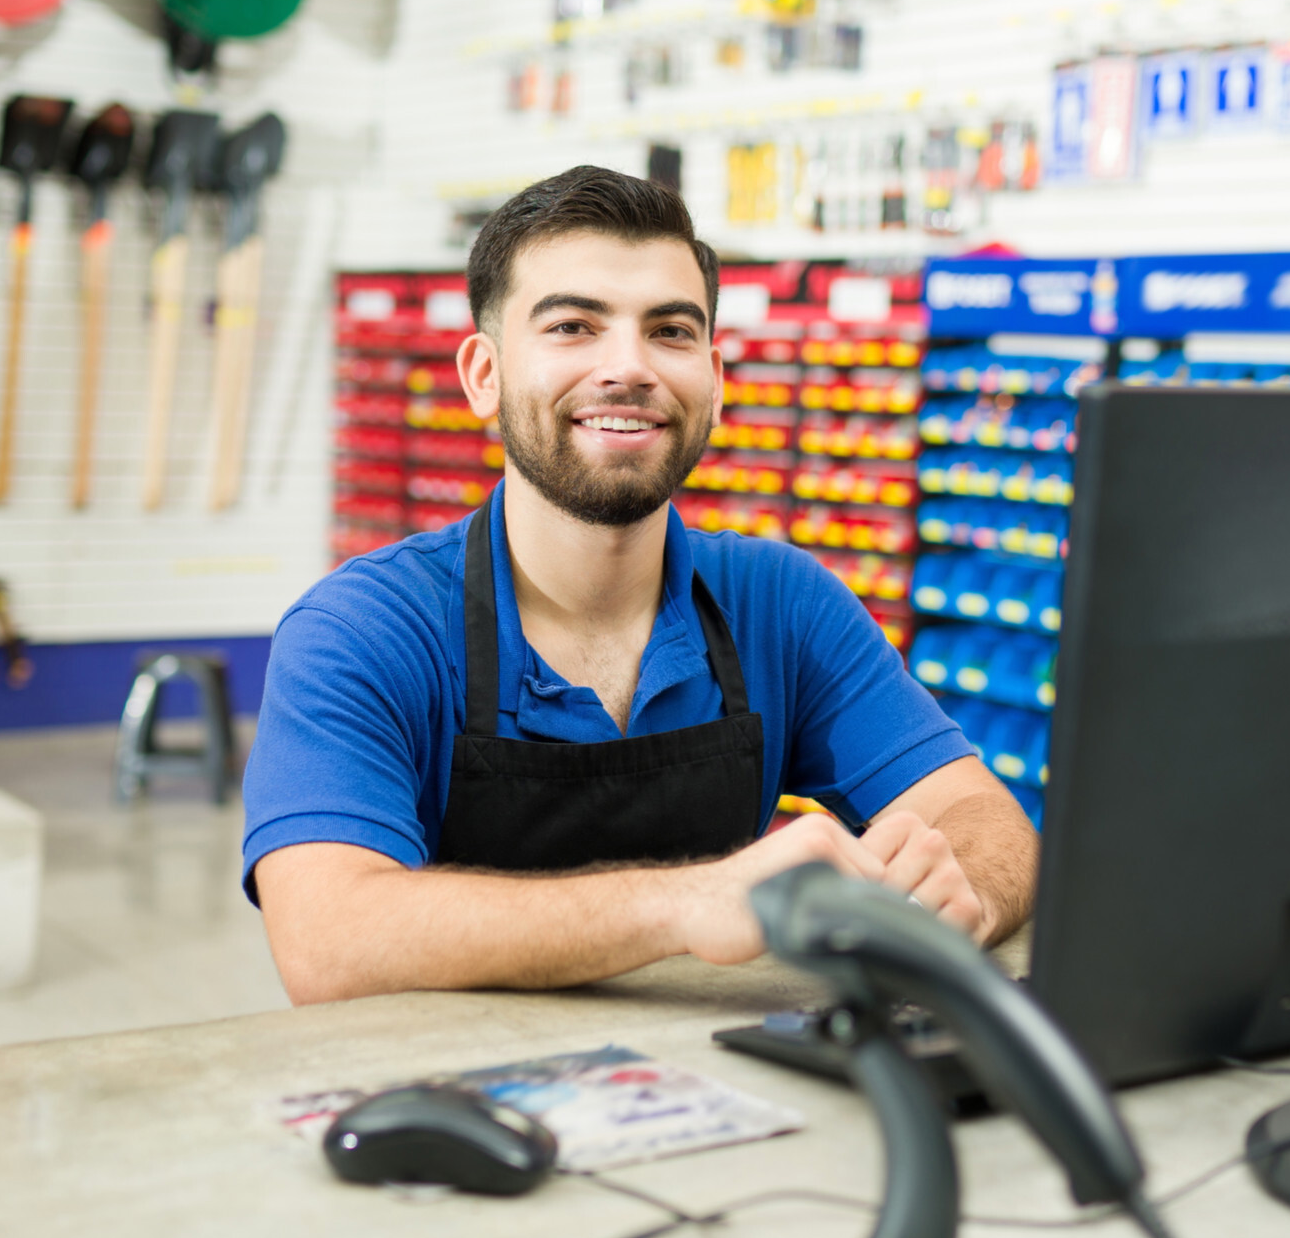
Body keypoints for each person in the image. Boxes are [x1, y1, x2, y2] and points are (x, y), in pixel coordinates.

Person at [241, 165, 1037, 1002]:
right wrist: (686, 904)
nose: (630, 367)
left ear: (717, 383)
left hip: (726, 1096)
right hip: (450, 1108)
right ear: (483, 374)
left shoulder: (782, 604)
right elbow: (326, 942)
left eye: (671, 331)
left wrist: (965, 891)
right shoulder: (365, 629)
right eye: (574, 327)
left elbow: (988, 817)